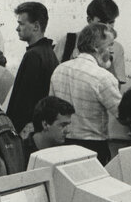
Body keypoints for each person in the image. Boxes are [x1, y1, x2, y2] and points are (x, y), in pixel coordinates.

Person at [49, 23, 123, 164]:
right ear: (95, 47)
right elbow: (122, 115)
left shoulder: (59, 70)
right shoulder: (103, 77)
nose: (111, 52)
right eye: (109, 45)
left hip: (62, 146)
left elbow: (50, 110)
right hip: (93, 148)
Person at [6, 1, 59, 135]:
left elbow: (23, 101)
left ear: (36, 26)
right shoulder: (49, 52)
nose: (17, 28)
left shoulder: (33, 55)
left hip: (27, 132)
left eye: (21, 24)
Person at [54, 0, 127, 86]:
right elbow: (53, 75)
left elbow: (116, 87)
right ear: (89, 20)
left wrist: (108, 62)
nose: (107, 27)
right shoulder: (68, 41)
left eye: (111, 22)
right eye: (102, 22)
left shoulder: (116, 48)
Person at [23, 96, 74, 165]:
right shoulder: (20, 153)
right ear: (45, 124)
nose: (68, 131)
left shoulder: (65, 152)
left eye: (68, 125)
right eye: (63, 125)